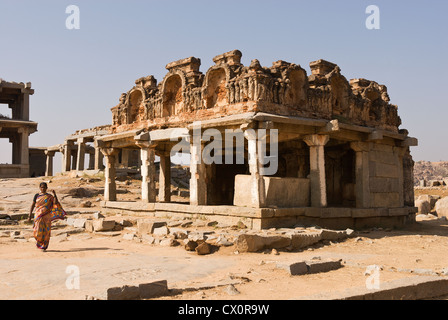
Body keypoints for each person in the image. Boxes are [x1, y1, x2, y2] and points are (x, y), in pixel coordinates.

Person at [28, 182, 66, 252]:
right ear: (39, 188)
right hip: (38, 215)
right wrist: (30, 215)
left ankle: (44, 246)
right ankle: (39, 242)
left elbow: (55, 203)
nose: (43, 188)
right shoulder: (37, 195)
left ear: (46, 188)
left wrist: (55, 194)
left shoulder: (49, 196)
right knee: (37, 231)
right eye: (42, 187)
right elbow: (33, 205)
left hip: (46, 215)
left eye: (44, 187)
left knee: (46, 231)